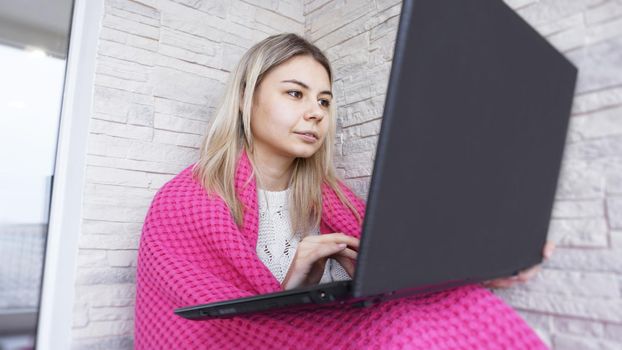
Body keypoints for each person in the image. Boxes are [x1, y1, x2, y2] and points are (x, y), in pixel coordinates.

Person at [134, 33, 554, 349]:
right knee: (398, 331)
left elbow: (402, 265)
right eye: (295, 93)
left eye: (324, 100)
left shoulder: (329, 197)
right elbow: (217, 329)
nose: (315, 112)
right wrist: (291, 290)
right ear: (246, 98)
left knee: (461, 306)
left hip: (321, 330)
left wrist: (487, 265)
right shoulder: (184, 203)